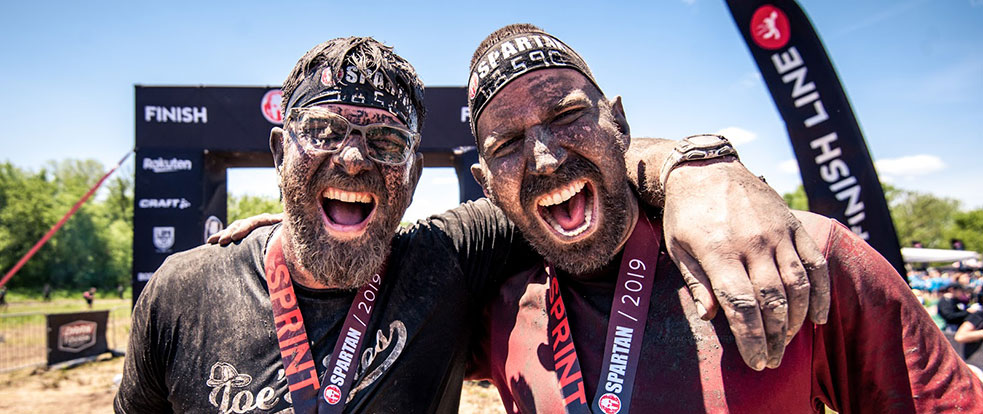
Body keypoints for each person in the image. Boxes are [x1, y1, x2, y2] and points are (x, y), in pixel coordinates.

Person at [118, 37, 825, 413]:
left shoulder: (447, 258)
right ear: (279, 152)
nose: (354, 158)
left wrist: (696, 167)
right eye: (323, 132)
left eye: (388, 143)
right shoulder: (185, 291)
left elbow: (573, 171)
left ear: (415, 178)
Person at [460, 24, 983, 413]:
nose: (546, 159)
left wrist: (702, 162)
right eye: (507, 145)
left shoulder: (794, 254)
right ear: (487, 184)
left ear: (617, 122)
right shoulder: (497, 310)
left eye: (568, 115)